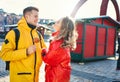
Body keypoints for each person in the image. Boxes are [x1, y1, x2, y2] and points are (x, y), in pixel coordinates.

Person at [0, 6, 46, 82]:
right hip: (20, 78)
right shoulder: (14, 33)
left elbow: (44, 52)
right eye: (35, 16)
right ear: (27, 17)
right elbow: (4, 54)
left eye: (38, 16)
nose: (37, 19)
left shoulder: (38, 34)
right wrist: (26, 51)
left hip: (35, 78)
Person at [42, 16, 78, 82]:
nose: (55, 23)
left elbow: (49, 59)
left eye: (58, 22)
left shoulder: (58, 42)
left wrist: (44, 51)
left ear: (63, 27)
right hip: (62, 74)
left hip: (55, 76)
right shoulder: (64, 41)